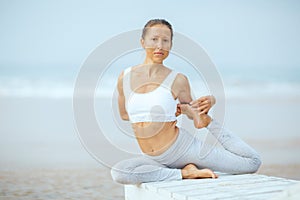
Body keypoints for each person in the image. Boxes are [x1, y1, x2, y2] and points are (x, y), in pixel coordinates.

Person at [111, 19, 261, 184]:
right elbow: (125, 115)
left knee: (251, 162)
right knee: (119, 172)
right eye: (154, 39)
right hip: (154, 159)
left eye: (165, 40)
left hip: (184, 149)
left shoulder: (178, 79)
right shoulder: (124, 78)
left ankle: (188, 161)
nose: (160, 45)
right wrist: (152, 114)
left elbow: (195, 114)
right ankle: (185, 172)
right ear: (142, 42)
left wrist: (208, 102)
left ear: (171, 45)